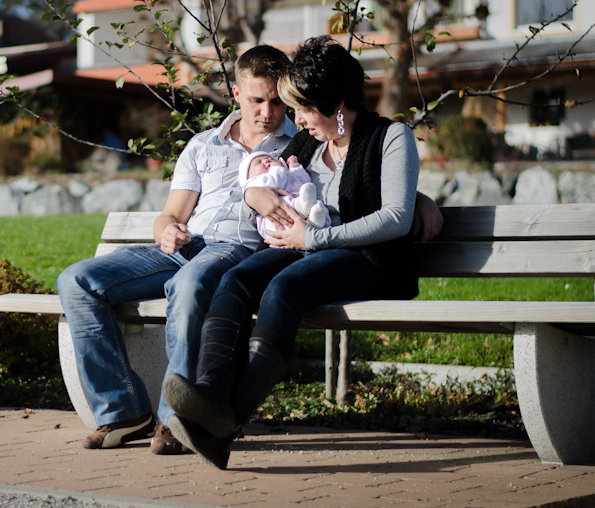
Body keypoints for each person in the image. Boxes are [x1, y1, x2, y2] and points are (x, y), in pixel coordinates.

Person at [162, 35, 440, 469]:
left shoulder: (390, 136)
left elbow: (395, 219)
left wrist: (313, 239)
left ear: (338, 103)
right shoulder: (310, 142)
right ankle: (210, 397)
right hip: (308, 249)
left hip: (370, 260)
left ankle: (226, 422)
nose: (298, 119)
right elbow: (261, 180)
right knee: (237, 280)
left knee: (283, 288)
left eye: (305, 108)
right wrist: (257, 199)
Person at [56, 45, 299, 454]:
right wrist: (168, 231)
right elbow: (170, 215)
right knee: (77, 281)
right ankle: (123, 412)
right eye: (257, 99)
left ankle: (176, 419)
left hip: (236, 252)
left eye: (276, 100)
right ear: (236, 94)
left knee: (187, 286)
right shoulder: (204, 145)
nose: (267, 111)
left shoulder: (300, 146)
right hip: (185, 248)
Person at [238, 152, 330, 239]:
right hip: (276, 220)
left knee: (316, 205)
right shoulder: (255, 183)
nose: (266, 160)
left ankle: (315, 222)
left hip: (300, 210)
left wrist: (295, 167)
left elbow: (304, 182)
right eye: (259, 162)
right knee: (285, 201)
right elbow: (275, 183)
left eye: (269, 158)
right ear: (248, 175)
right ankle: (303, 208)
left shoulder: (284, 172)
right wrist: (277, 168)